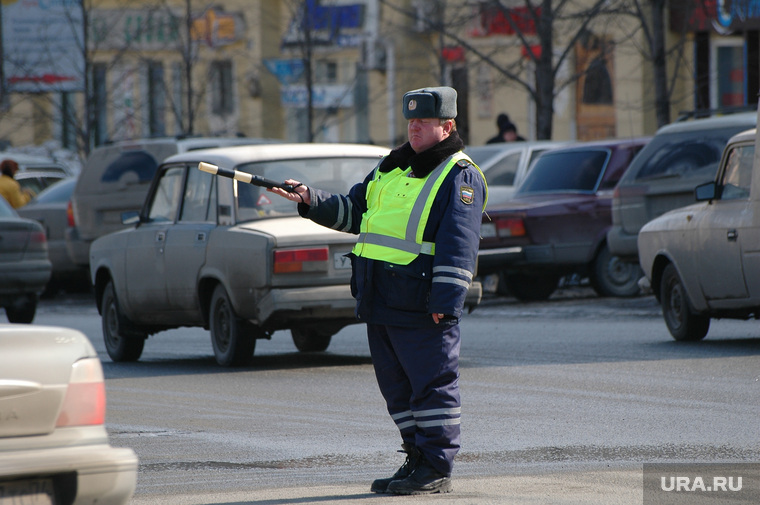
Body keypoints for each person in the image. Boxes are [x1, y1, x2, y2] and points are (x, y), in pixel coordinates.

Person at [268, 86, 487, 495]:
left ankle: (436, 466)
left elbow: (460, 244)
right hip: (382, 299)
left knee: (432, 385)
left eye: (424, 121)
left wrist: (446, 303)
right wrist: (309, 198)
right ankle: (416, 459)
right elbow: (355, 212)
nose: (415, 127)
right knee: (397, 389)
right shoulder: (392, 166)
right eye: (411, 121)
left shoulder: (460, 175)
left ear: (448, 126)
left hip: (423, 305)